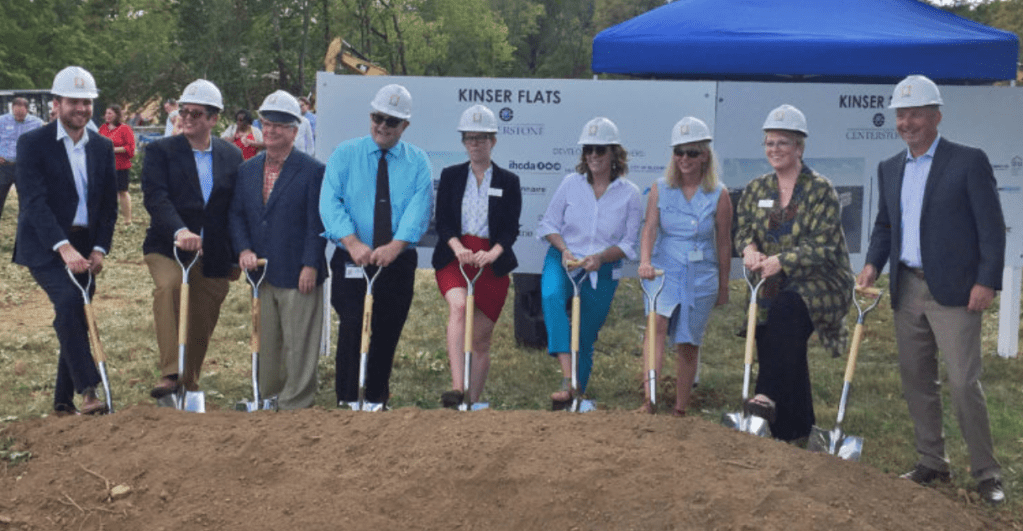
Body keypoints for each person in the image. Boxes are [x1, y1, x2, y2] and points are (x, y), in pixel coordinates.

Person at [856, 75, 1005, 505]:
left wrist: (987, 280)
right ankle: (931, 460)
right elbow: (886, 226)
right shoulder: (890, 168)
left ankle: (987, 472)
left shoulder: (968, 161)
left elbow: (991, 229)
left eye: (916, 113)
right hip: (908, 289)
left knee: (962, 383)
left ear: (936, 116)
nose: (908, 122)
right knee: (917, 380)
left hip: (957, 293)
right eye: (901, 115)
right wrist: (871, 264)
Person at [733, 104, 852, 443]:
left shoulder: (820, 190)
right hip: (770, 281)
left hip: (821, 280)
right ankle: (795, 431)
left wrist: (783, 259)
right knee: (780, 341)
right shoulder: (757, 189)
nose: (774, 150)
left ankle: (765, 395)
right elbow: (743, 231)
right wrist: (750, 249)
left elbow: (825, 245)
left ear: (799, 147)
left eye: (782, 143)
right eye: (769, 143)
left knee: (786, 311)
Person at [319, 84, 432, 409]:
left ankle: (375, 397)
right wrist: (352, 242)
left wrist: (394, 247)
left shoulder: (418, 162)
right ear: (370, 116)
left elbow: (419, 208)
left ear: (405, 126)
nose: (383, 126)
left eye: (392, 121)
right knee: (353, 322)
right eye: (378, 117)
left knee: (387, 327)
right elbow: (330, 202)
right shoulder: (345, 154)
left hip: (397, 262)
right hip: (352, 258)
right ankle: (346, 397)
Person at [13, 66, 117, 416]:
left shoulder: (102, 147)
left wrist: (100, 247)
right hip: (45, 245)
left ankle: (62, 403)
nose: (82, 109)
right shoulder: (33, 144)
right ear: (56, 104)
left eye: (87, 102)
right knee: (72, 303)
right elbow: (34, 202)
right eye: (74, 102)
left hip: (86, 245)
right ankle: (88, 391)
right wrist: (63, 247)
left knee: (72, 314)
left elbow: (108, 205)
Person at [141, 79, 243, 400]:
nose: (186, 118)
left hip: (213, 251)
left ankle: (189, 382)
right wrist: (180, 231)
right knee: (170, 288)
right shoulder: (161, 151)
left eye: (196, 114)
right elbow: (156, 198)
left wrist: (237, 253)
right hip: (167, 245)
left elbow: (236, 208)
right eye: (183, 111)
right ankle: (171, 373)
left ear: (214, 119)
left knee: (203, 309)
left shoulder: (232, 155)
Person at [230, 90, 327, 410]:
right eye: (266, 124)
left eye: (280, 126)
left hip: (298, 270)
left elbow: (317, 222)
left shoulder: (312, 170)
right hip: (260, 271)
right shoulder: (247, 170)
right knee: (266, 341)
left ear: (294, 132)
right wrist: (243, 249)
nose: (271, 131)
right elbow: (237, 215)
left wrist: (311, 264)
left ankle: (296, 401)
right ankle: (268, 396)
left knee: (299, 342)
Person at [538, 117, 643, 408]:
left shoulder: (630, 194)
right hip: (565, 260)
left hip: (602, 267)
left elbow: (628, 243)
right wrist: (564, 250)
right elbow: (548, 224)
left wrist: (600, 258)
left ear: (613, 153)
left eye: (600, 149)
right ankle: (568, 379)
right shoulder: (570, 184)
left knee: (585, 333)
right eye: (588, 150)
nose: (593, 156)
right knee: (551, 296)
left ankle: (575, 392)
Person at [637, 117, 731, 417]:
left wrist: (724, 286)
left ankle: (680, 408)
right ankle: (649, 401)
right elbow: (650, 228)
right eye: (679, 152)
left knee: (688, 340)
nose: (684, 159)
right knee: (657, 326)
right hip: (664, 269)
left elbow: (724, 242)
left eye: (692, 152)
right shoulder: (660, 188)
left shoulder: (719, 194)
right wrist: (645, 261)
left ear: (705, 154)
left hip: (700, 273)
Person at [431, 104, 522, 408]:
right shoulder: (452, 176)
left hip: (492, 264)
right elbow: (443, 222)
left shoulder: (509, 182)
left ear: (493, 141)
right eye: (469, 138)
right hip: (455, 257)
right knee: (458, 307)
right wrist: (458, 249)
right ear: (463, 142)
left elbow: (510, 230)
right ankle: (457, 388)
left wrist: (493, 254)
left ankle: (471, 401)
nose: (475, 144)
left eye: (481, 139)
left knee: (481, 340)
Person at [0, 97, 44, 228]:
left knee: (25, 201)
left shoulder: (37, 123)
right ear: (12, 109)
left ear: (27, 110)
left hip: (24, 168)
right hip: (4, 166)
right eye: (16, 114)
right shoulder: (2, 121)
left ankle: (24, 229)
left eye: (22, 114)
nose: (19, 116)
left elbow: (43, 142)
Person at [97, 104, 137, 225]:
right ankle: (108, 217)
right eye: (106, 113)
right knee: (106, 193)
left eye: (110, 113)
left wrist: (113, 149)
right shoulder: (103, 128)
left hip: (121, 165)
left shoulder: (125, 129)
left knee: (123, 192)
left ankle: (127, 220)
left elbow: (130, 148)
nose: (107, 116)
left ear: (116, 114)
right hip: (106, 166)